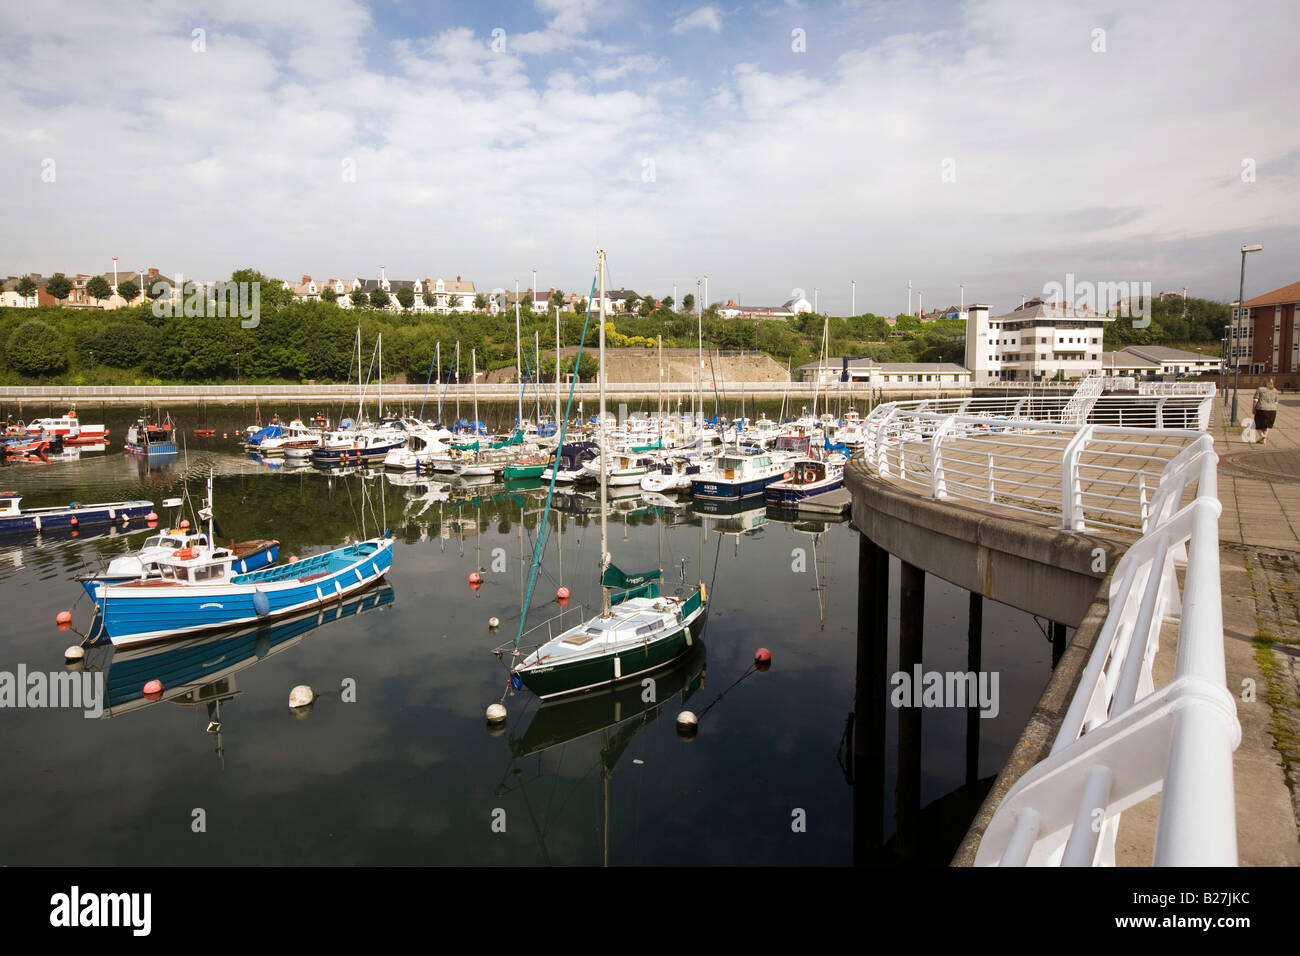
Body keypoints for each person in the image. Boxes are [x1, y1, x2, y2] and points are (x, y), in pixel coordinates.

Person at [1253, 378, 1280, 444]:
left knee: (1257, 424)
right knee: (1267, 425)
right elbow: (1276, 402)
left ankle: (1263, 436)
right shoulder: (1275, 390)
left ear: (1264, 382)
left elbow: (1255, 400)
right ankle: (1263, 440)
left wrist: (1253, 409)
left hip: (1261, 409)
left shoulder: (1260, 389)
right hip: (1272, 410)